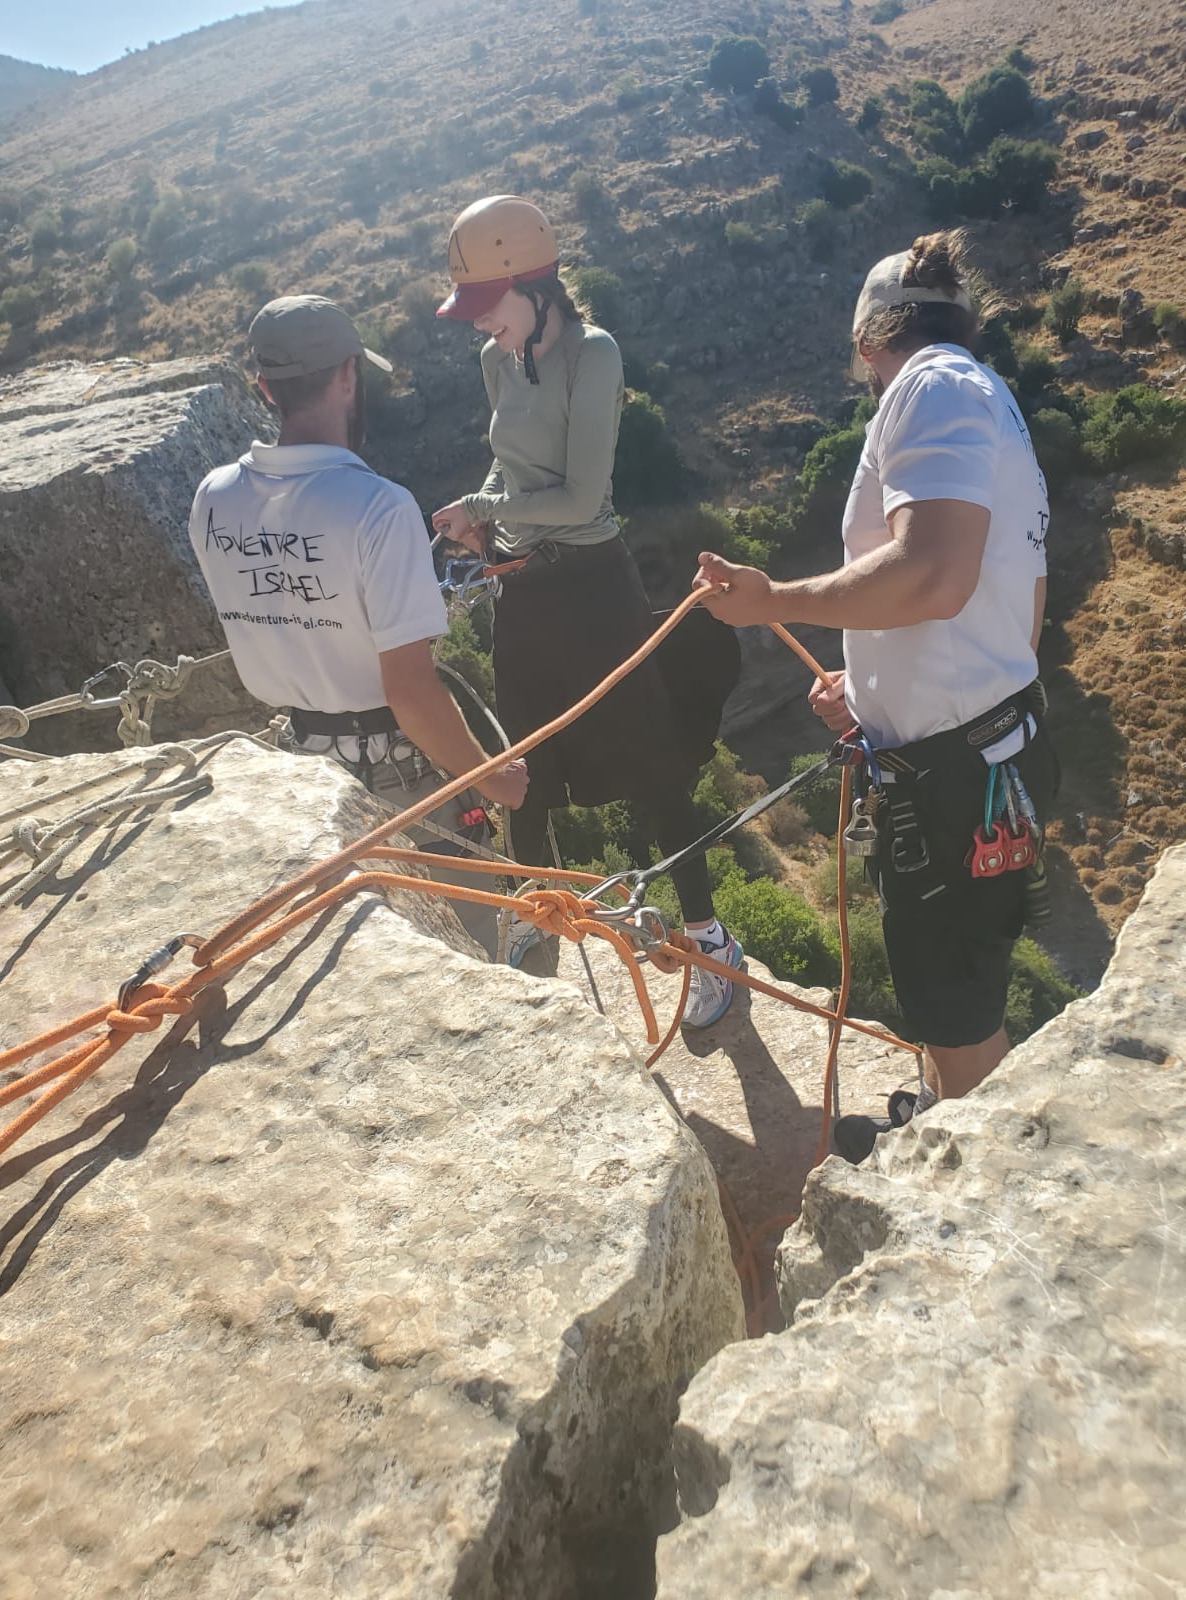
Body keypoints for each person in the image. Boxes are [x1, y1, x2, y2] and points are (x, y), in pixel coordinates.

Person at [694, 230, 1056, 1154]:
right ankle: (942, 1115)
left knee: (955, 999)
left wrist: (774, 600)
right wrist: (871, 692)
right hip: (975, 752)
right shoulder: (985, 395)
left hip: (953, 772)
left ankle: (974, 1183)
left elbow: (932, 574)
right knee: (951, 985)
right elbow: (1012, 603)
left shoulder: (928, 388)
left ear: (866, 344)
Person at [430, 194, 743, 1025]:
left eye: (486, 304)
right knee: (523, 769)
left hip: (596, 588)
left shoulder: (593, 355)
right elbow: (508, 472)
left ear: (534, 284)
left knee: (655, 765)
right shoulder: (498, 358)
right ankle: (537, 926)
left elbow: (579, 498)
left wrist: (485, 510)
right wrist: (479, 510)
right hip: (525, 589)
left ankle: (710, 942)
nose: (478, 323)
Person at [188, 293, 529, 957]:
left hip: (302, 770)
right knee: (471, 952)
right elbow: (411, 692)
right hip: (403, 779)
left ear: (265, 388)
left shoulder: (213, 497)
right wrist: (490, 778)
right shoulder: (379, 507)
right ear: (349, 375)